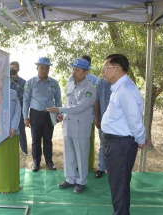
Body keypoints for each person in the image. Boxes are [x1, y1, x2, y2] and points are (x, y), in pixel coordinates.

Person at [101, 54, 147, 215]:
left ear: (117, 68)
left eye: (106, 67)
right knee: (118, 183)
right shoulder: (119, 88)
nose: (103, 71)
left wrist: (141, 140)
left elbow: (134, 120)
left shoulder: (126, 90)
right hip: (115, 143)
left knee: (119, 184)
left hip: (120, 144)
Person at [47, 58, 96, 194]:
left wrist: (59, 110)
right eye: (73, 69)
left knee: (81, 155)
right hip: (68, 125)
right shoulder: (69, 85)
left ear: (85, 72)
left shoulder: (90, 89)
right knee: (69, 154)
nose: (74, 72)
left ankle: (81, 181)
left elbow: (80, 107)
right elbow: (69, 106)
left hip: (81, 127)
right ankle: (70, 178)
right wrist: (62, 115)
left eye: (77, 70)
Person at [23, 57, 62, 172]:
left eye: (46, 68)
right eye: (42, 68)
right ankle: (36, 162)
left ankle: (49, 161)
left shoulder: (54, 83)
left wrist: (58, 114)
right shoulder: (30, 82)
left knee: (48, 140)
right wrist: (26, 117)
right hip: (35, 114)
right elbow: (25, 100)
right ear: (37, 68)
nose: (44, 70)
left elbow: (58, 99)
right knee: (35, 140)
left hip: (49, 115)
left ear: (49, 69)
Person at [68, 55, 98, 169]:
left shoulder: (94, 80)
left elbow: (95, 99)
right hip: (72, 117)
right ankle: (75, 166)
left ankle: (88, 165)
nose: (75, 71)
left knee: (87, 142)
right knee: (73, 143)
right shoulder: (71, 79)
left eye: (79, 68)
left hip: (87, 116)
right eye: (74, 68)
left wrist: (96, 117)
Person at [0, 89, 21, 194]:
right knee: (1, 159)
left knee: (12, 159)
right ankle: (2, 186)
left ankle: (14, 185)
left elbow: (18, 111)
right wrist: (0, 128)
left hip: (13, 132)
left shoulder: (13, 92)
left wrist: (13, 127)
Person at [10, 61, 28, 156]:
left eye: (13, 69)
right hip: (8, 113)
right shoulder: (6, 81)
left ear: (18, 69)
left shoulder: (22, 82)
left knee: (21, 130)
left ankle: (24, 150)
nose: (11, 71)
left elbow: (22, 98)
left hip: (19, 111)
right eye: (10, 69)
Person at [94, 77, 111, 178]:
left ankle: (112, 169)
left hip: (117, 123)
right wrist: (97, 119)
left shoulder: (121, 83)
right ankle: (101, 168)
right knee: (103, 145)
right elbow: (97, 100)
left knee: (114, 147)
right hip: (103, 121)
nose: (105, 70)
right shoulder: (100, 82)